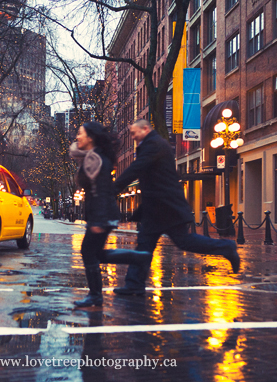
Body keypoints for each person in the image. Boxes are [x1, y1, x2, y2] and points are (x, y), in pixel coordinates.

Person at [113, 119, 240, 296]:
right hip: (157, 207)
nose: (133, 137)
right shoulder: (152, 144)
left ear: (145, 128)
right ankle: (134, 284)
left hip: (166, 206)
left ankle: (226, 247)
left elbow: (136, 167)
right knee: (144, 246)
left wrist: (113, 188)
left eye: (134, 133)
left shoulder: (154, 144)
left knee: (183, 242)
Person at [70, 122, 152, 307]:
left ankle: (96, 296)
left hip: (102, 214)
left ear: (91, 137)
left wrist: (98, 219)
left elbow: (101, 191)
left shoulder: (96, 160)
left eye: (80, 133)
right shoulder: (91, 156)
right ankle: (138, 257)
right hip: (101, 213)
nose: (77, 137)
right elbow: (76, 151)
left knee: (87, 252)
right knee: (96, 254)